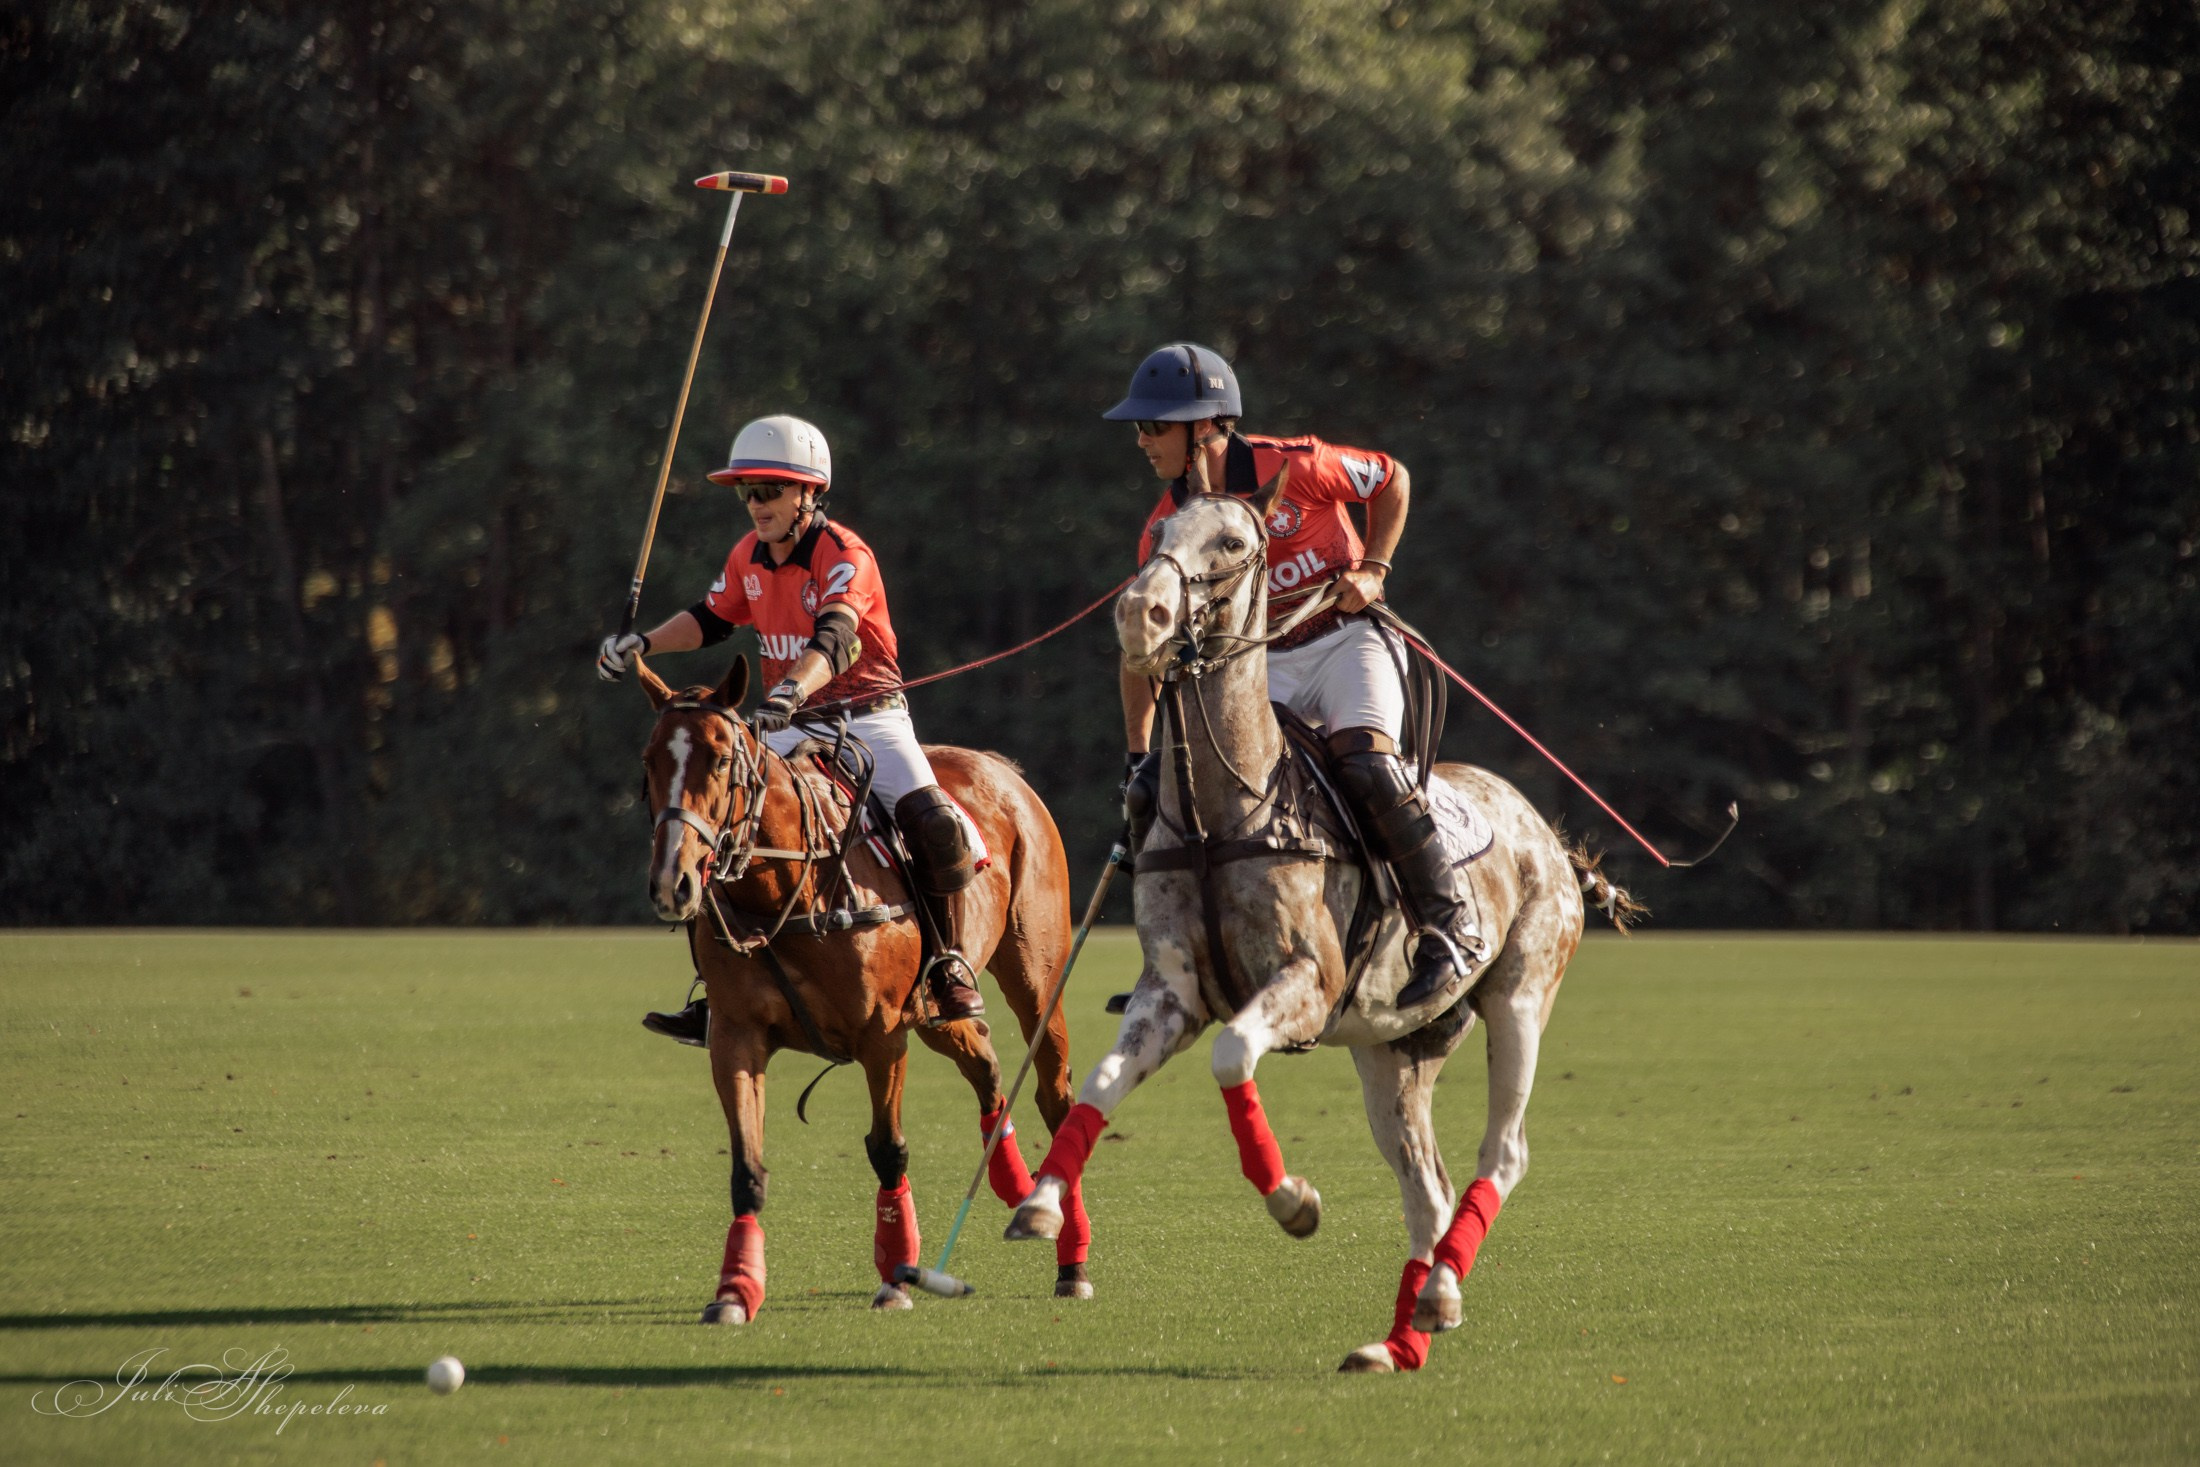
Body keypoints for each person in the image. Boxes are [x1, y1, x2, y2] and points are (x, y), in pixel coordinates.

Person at [1106, 343, 1486, 1010]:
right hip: (1264, 663)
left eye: (1152, 425)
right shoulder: (1166, 530)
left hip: (1346, 642)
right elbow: (1140, 650)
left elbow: (1391, 479)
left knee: (1366, 764)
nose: (1141, 440)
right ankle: (1178, 956)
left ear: (1206, 426)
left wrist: (1375, 568)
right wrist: (1141, 754)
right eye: (1139, 427)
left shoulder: (1298, 464)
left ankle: (1447, 926)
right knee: (1205, 785)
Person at [597, 413, 986, 1038]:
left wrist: (789, 689)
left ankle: (948, 964)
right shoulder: (747, 555)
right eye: (747, 492)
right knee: (724, 831)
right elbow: (712, 618)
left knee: (937, 826)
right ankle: (716, 990)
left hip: (869, 721)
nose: (756, 504)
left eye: (770, 490)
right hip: (787, 724)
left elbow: (836, 635)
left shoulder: (845, 555)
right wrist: (642, 644)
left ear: (809, 492)